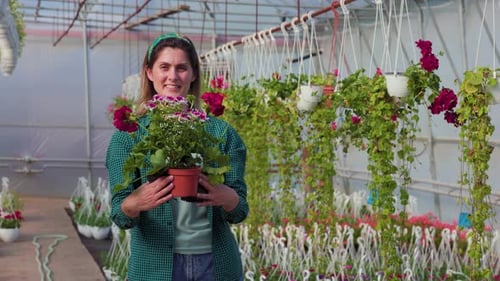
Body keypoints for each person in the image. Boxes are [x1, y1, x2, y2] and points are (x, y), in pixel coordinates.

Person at [105, 32, 248, 281]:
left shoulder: (221, 133)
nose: (173, 76)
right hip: (155, 265)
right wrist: (133, 203)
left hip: (215, 265)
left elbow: (239, 212)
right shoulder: (130, 135)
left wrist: (228, 198)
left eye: (181, 68)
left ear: (193, 74)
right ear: (150, 73)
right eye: (164, 67)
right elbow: (119, 214)